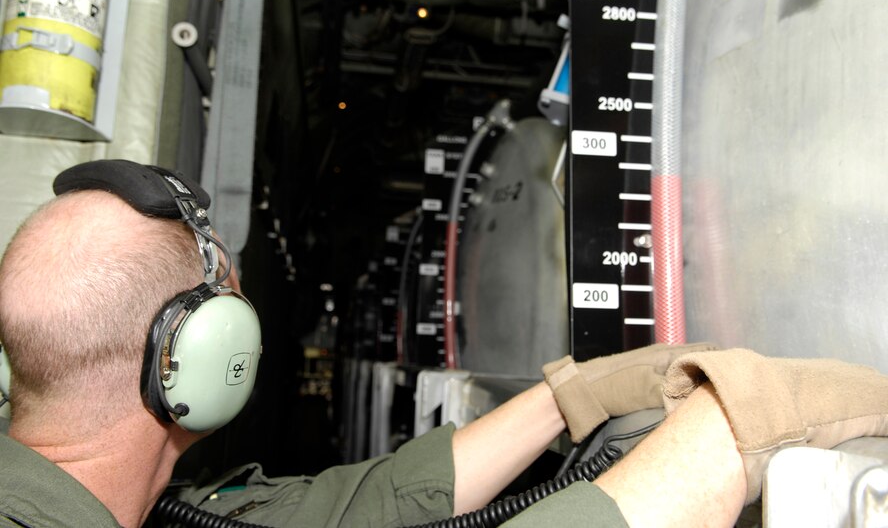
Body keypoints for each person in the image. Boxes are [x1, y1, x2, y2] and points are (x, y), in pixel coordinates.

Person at [1, 159, 888, 528]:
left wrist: (563, 397)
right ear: (193, 356)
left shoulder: (132, 499)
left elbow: (360, 509)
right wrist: (736, 427)